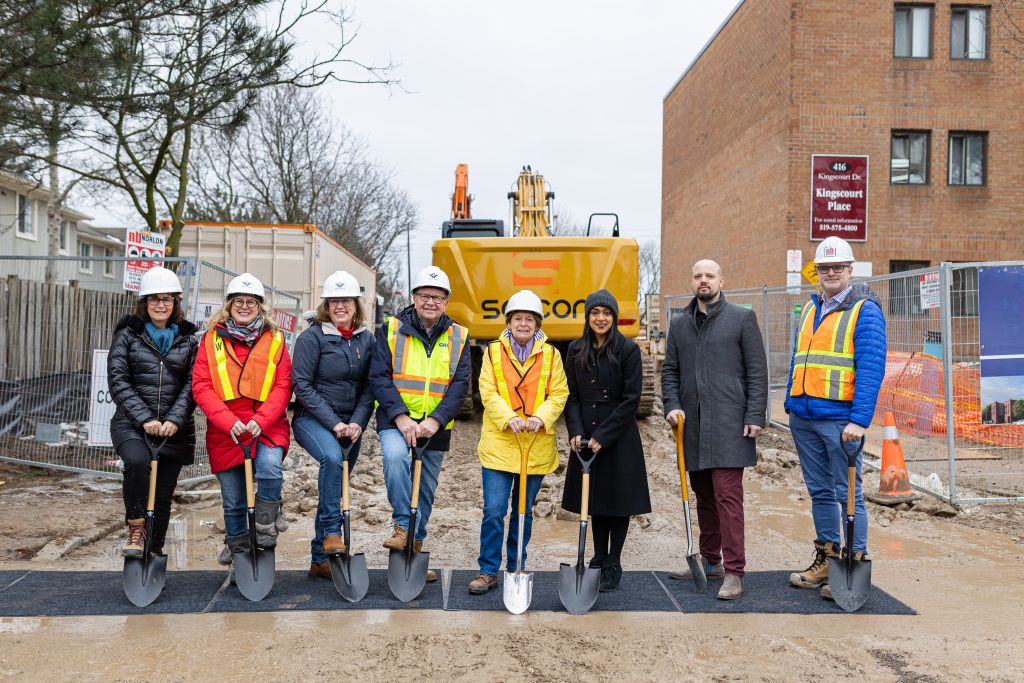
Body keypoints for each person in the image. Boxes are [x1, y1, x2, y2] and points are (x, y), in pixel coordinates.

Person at [785, 236, 886, 601]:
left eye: (837, 268)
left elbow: (871, 367)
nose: (830, 273)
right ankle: (827, 558)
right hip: (805, 416)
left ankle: (854, 561)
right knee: (820, 491)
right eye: (824, 268)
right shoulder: (812, 308)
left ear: (849, 270)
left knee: (848, 493)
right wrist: (790, 402)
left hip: (841, 422)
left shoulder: (865, 311)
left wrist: (859, 420)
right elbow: (799, 358)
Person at [661, 259, 768, 600]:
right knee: (704, 497)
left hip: (729, 424)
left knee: (728, 499)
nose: (703, 280)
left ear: (722, 279)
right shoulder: (679, 324)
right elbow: (670, 373)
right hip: (692, 426)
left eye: (709, 275)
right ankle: (711, 561)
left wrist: (755, 415)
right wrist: (672, 405)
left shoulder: (741, 318)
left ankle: (735, 571)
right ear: (691, 282)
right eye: (697, 276)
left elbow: (757, 371)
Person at [368, 265, 471, 584]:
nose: (430, 302)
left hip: (435, 427)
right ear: (414, 298)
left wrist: (436, 421)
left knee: (424, 491)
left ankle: (412, 552)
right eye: (425, 295)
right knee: (397, 459)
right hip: (395, 419)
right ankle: (402, 526)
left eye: (437, 297)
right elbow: (378, 376)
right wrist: (400, 416)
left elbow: (460, 385)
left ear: (446, 301)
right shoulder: (390, 329)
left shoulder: (459, 335)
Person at [468, 290, 569, 594]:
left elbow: (559, 393)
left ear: (537, 324)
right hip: (501, 443)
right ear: (509, 321)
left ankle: (516, 566)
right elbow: (487, 389)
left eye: (529, 319)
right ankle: (487, 570)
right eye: (517, 318)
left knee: (523, 511)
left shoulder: (552, 355)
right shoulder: (493, 352)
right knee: (495, 510)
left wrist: (541, 416)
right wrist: (507, 416)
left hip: (535, 445)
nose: (523, 324)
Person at [192, 273, 293, 573]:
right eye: (239, 302)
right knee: (234, 500)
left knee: (270, 467)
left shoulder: (275, 340)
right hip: (226, 430)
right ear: (229, 306)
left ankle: (265, 523)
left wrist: (262, 421)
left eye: (251, 302)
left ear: (260, 307)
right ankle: (239, 553)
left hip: (267, 423)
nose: (245, 307)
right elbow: (201, 385)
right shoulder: (210, 341)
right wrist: (227, 421)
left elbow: (283, 385)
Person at [561, 289, 651, 592]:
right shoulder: (575, 349)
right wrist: (575, 430)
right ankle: (598, 557)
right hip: (584, 434)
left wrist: (603, 435)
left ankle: (614, 560)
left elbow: (631, 399)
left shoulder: (627, 350)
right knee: (596, 499)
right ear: (588, 317)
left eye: (607, 313)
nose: (601, 318)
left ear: (614, 317)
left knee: (618, 500)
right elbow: (571, 396)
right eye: (595, 313)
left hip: (618, 435)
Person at [108, 267, 199, 559]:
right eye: (154, 299)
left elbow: (193, 384)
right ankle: (136, 529)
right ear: (144, 303)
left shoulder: (189, 340)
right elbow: (118, 381)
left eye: (167, 299)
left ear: (175, 303)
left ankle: (155, 550)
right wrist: (145, 419)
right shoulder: (127, 336)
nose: (161, 305)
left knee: (161, 496)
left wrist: (174, 419)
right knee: (136, 463)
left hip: (174, 429)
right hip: (132, 425)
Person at [291, 271, 375, 579]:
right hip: (312, 420)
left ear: (356, 304)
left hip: (350, 425)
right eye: (335, 300)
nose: (340, 306)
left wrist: (357, 423)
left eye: (347, 300)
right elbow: (301, 384)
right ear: (327, 303)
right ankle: (331, 531)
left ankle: (320, 560)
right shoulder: (311, 338)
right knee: (330, 459)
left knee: (334, 485)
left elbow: (370, 386)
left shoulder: (366, 339)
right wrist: (335, 423)